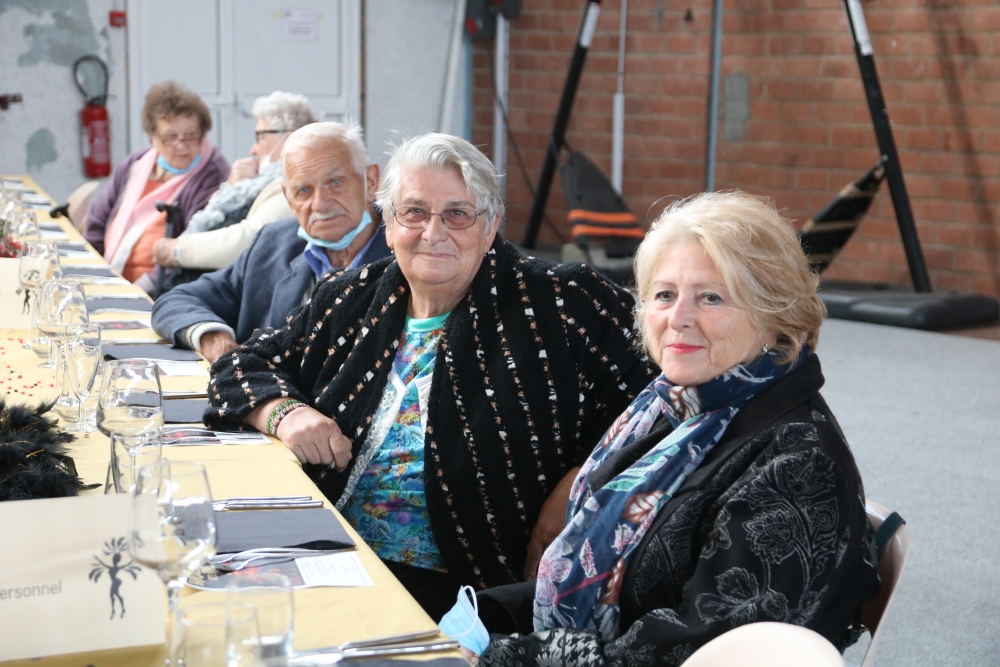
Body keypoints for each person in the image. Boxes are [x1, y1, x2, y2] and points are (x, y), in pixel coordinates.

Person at [203, 133, 655, 620]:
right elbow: (242, 364)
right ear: (389, 225)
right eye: (414, 212)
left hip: (465, 587)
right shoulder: (350, 297)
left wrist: (577, 486)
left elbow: (661, 400)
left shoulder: (563, 302)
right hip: (327, 550)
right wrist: (285, 413)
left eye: (457, 214)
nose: (433, 232)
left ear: (491, 225)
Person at [448, 191, 880, 666]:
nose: (678, 319)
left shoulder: (799, 469)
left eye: (711, 297)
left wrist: (499, 655)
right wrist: (477, 618)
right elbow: (590, 579)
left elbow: (701, 648)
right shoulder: (673, 409)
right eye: (665, 295)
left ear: (775, 316)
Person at [150, 121, 390, 363]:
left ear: (370, 181)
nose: (319, 203)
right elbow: (177, 300)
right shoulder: (275, 243)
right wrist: (217, 342)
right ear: (288, 198)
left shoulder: (404, 255)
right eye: (303, 190)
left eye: (335, 182)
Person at [151, 91, 322, 272]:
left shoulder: (296, 184)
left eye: (260, 137)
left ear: (288, 140)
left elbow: (253, 237)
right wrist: (232, 186)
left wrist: (179, 250)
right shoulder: (257, 183)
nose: (253, 149)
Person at [84, 81, 228, 291]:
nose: (181, 145)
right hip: (110, 279)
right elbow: (97, 222)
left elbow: (191, 248)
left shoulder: (211, 176)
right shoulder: (136, 164)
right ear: (153, 137)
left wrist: (138, 290)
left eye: (191, 135)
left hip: (159, 291)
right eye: (170, 136)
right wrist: (94, 273)